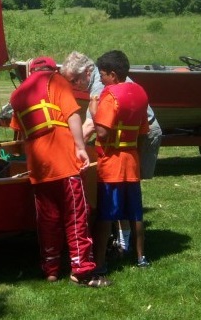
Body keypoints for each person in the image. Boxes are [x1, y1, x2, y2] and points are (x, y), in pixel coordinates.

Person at [9, 56, 110, 287]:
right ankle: (81, 270)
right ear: (51, 68)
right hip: (64, 161)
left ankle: (51, 269)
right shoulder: (56, 81)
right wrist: (80, 147)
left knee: (48, 220)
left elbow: (20, 131)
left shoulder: (17, 95)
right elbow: (73, 115)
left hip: (39, 166)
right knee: (76, 216)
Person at [61, 51, 162, 254]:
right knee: (125, 194)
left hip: (137, 136)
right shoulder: (104, 78)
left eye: (74, 80)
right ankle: (127, 243)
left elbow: (92, 126)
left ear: (89, 73)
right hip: (130, 136)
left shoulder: (102, 86)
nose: (72, 85)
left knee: (119, 192)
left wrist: (66, 148)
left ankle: (123, 242)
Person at [87, 50, 151, 271]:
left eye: (103, 75)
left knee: (106, 214)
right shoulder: (141, 93)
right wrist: (137, 155)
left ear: (113, 75)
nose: (101, 79)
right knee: (135, 213)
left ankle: (101, 263)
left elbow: (103, 134)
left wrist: (94, 112)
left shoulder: (109, 95)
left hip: (112, 164)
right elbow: (144, 132)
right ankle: (141, 258)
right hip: (131, 161)